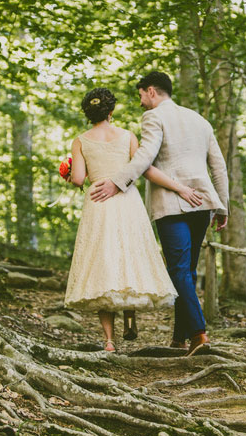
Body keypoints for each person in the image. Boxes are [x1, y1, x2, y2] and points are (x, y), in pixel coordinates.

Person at [90, 71, 228, 356]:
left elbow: (144, 156)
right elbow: (219, 165)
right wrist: (222, 205)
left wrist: (116, 182)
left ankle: (199, 334)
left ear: (151, 91)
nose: (140, 102)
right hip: (202, 203)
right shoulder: (200, 120)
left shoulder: (154, 117)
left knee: (179, 270)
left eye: (141, 95)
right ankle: (180, 338)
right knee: (186, 270)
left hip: (172, 205)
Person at [63, 87, 203, 353]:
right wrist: (179, 187)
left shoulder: (80, 141)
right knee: (127, 255)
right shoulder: (128, 136)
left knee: (103, 262)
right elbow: (142, 169)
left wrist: (67, 173)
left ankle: (109, 341)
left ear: (87, 113)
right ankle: (130, 315)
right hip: (127, 200)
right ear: (111, 111)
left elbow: (79, 179)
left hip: (98, 202)